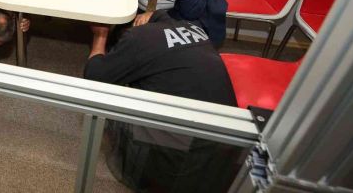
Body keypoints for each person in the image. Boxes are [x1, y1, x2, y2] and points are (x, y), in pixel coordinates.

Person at [84, 11, 239, 192]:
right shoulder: (193, 28)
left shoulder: (137, 38)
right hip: (229, 155)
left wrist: (100, 36)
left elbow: (94, 76)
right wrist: (152, 13)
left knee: (118, 92)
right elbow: (160, 17)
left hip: (178, 167)